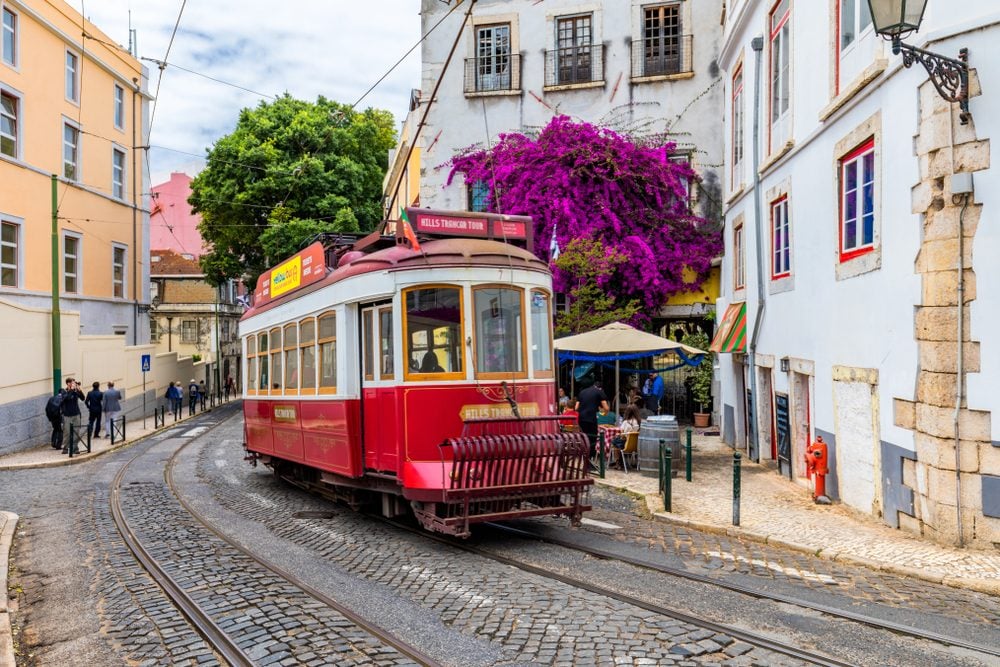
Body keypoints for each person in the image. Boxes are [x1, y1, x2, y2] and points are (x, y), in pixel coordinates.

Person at [575, 380, 609, 462]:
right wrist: (604, 413)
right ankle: (590, 462)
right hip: (591, 419)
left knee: (584, 439)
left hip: (581, 419)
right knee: (592, 440)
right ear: (600, 388)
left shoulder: (582, 392)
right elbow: (606, 408)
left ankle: (584, 460)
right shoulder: (599, 392)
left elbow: (576, 408)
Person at [60, 378, 85, 453]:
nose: (73, 384)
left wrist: (79, 390)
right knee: (67, 432)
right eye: (72, 383)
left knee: (76, 432)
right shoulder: (63, 391)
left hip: (76, 414)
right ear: (68, 383)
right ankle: (66, 447)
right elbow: (66, 398)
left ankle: (75, 448)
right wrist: (71, 389)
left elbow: (83, 398)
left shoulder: (75, 391)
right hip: (67, 415)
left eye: (74, 383)